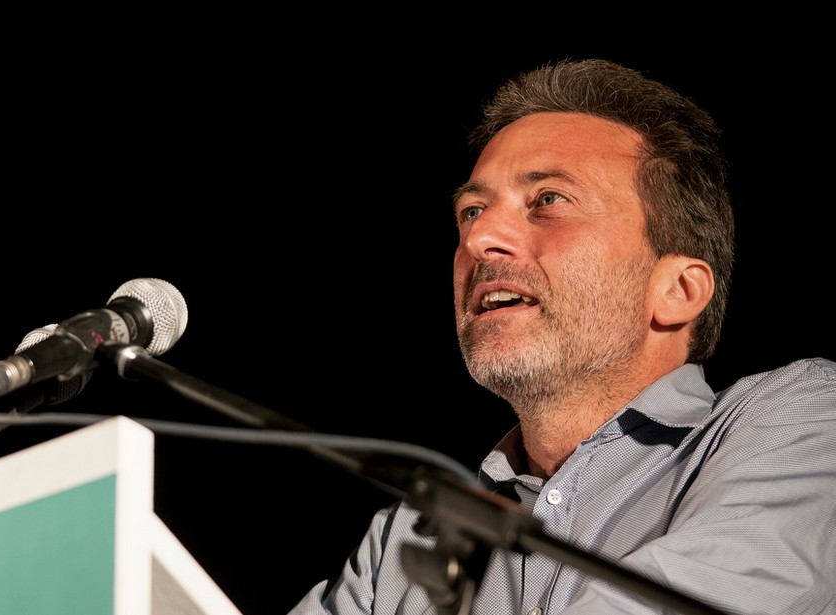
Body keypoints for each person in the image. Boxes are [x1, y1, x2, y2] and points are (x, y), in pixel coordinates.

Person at [286, 59, 836, 615]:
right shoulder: (410, 534)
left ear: (677, 290)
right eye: (471, 211)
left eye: (548, 199)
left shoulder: (801, 418)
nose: (478, 238)